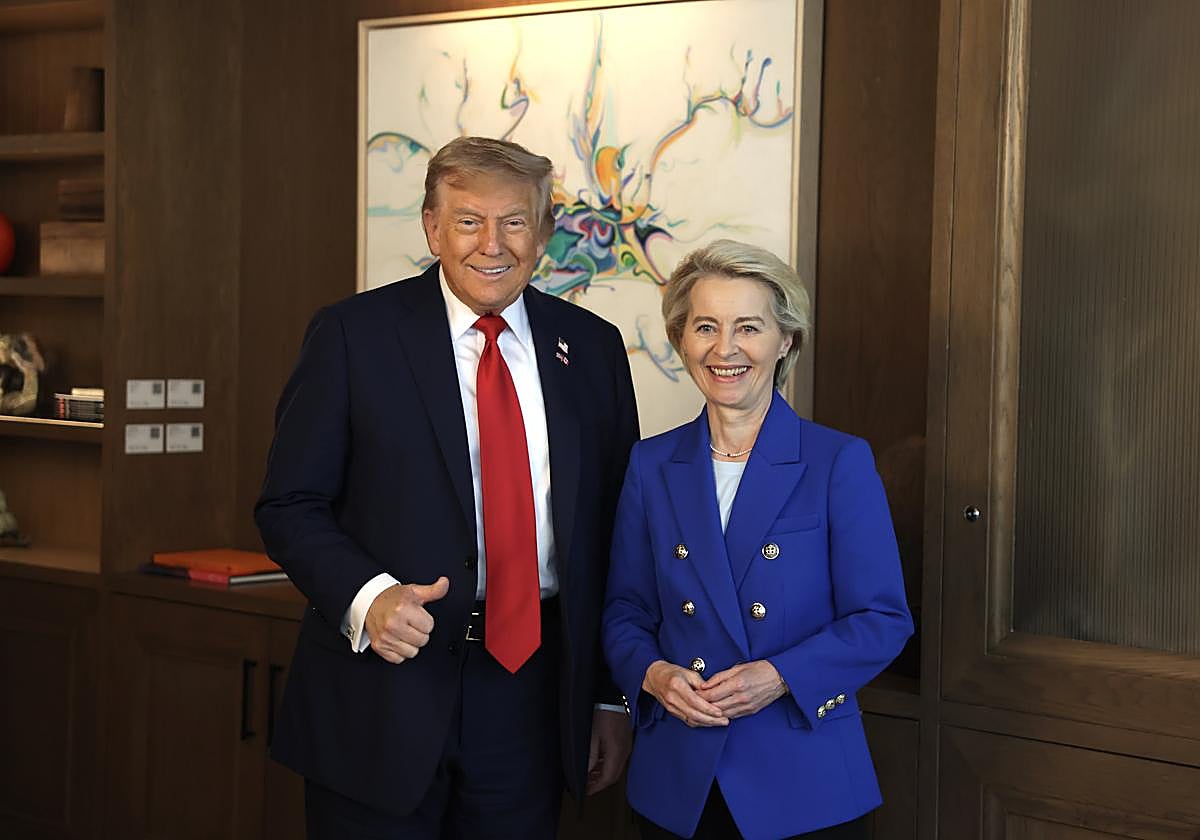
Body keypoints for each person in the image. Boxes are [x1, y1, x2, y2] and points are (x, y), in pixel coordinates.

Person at [256, 136, 640, 838]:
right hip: (384, 691)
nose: (492, 243)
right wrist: (368, 598)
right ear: (432, 227)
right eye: (468, 220)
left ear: (545, 232)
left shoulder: (591, 347)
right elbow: (288, 504)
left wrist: (609, 696)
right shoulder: (352, 335)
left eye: (515, 221)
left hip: (532, 695)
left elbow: (618, 532)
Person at [602, 239, 913, 840]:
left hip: (802, 776)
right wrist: (653, 674)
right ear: (682, 340)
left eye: (748, 327)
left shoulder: (837, 461)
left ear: (785, 341)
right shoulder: (650, 464)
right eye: (705, 327)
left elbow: (881, 618)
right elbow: (625, 610)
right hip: (679, 779)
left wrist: (779, 675)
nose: (725, 349)